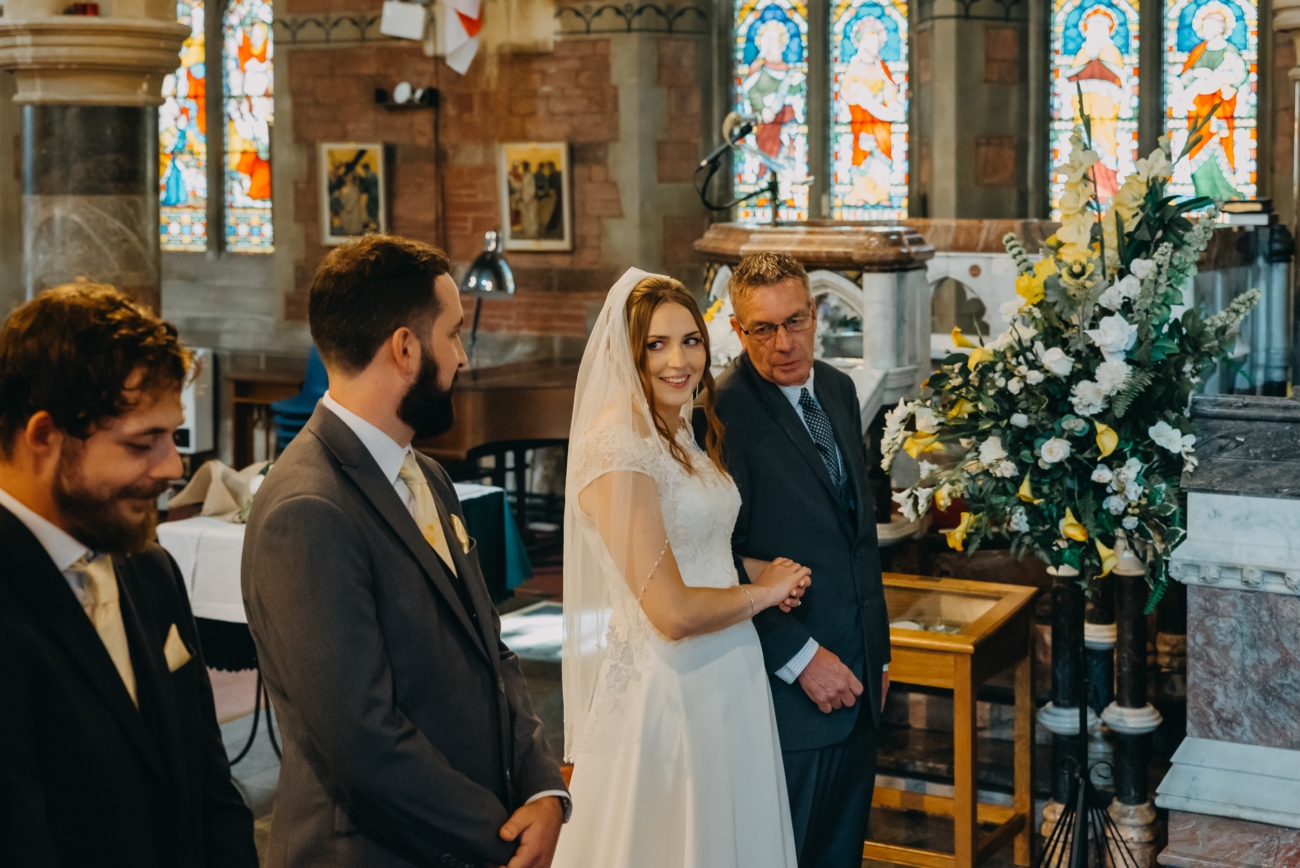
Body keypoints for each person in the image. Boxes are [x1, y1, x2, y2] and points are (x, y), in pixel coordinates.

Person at [242, 234, 568, 868]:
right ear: (405, 347)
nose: (463, 358)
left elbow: (490, 646)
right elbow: (361, 737)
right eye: (452, 336)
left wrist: (542, 785)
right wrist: (498, 835)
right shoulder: (309, 507)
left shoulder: (427, 475)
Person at [555, 270, 810, 868]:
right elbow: (669, 610)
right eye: (657, 344)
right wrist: (764, 593)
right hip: (671, 686)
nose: (680, 360)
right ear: (628, 352)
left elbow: (690, 544)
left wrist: (756, 568)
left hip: (726, 673)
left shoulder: (673, 429)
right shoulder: (617, 447)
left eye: (690, 340)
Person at [0, 283, 257, 868]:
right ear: (45, 436)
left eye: (172, 435)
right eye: (144, 443)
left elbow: (211, 786)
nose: (172, 467)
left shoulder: (149, 566)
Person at [708, 252, 891, 868]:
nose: (783, 343)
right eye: (762, 328)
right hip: (787, 696)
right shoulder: (722, 414)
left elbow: (856, 537)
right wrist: (803, 660)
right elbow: (715, 562)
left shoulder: (837, 388)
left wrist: (878, 652)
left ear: (816, 314)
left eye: (795, 321)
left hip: (860, 683)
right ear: (737, 330)